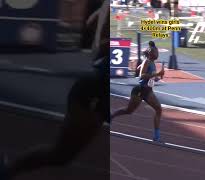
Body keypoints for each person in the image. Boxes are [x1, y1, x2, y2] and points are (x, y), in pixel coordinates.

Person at [0, 0, 109, 179]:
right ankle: (7, 170)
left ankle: (8, 170)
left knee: (62, 156)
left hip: (101, 85)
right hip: (95, 90)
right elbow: (103, 38)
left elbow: (90, 22)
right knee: (61, 155)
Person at [111, 40, 164, 142]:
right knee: (129, 111)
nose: (158, 53)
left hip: (148, 91)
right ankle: (112, 115)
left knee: (159, 109)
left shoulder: (152, 63)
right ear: (151, 53)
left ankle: (156, 137)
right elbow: (142, 75)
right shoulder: (146, 61)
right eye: (156, 52)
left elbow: (150, 77)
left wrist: (158, 77)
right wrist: (156, 74)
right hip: (139, 90)